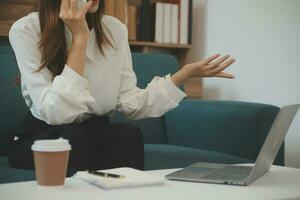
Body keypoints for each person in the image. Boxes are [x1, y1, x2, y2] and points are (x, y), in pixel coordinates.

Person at [8, 0, 236, 175]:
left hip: (92, 133)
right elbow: (57, 113)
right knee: (72, 137)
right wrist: (80, 37)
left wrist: (181, 76)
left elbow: (131, 103)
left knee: (127, 135)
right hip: (43, 138)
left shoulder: (114, 29)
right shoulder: (26, 30)